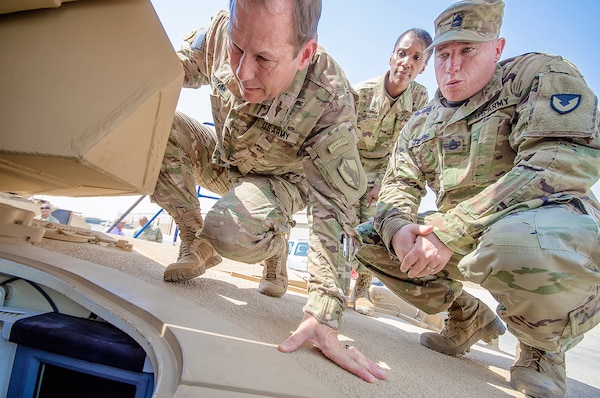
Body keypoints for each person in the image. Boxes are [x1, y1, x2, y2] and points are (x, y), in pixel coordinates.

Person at [354, 0, 600, 395]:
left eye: (467, 50)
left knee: (516, 241)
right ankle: (465, 315)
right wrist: (399, 229)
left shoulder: (537, 76)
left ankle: (542, 348)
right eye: (444, 54)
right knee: (365, 237)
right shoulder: (422, 120)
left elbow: (557, 164)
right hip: (462, 238)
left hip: (540, 223)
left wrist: (449, 231)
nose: (452, 66)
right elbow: (397, 186)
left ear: (497, 48)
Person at [151, 0, 387, 382]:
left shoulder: (329, 96)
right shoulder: (219, 31)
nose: (243, 71)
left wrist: (322, 314)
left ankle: (271, 241)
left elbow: (336, 208)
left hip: (279, 182)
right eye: (236, 49)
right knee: (157, 127)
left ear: (304, 53)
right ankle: (194, 240)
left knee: (231, 232)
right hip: (226, 160)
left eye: (264, 58)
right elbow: (165, 72)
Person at [350, 28, 432, 317]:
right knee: (342, 227)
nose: (406, 62)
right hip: (351, 166)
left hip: (387, 171)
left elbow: (407, 148)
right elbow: (340, 139)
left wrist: (384, 184)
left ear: (423, 67)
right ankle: (331, 284)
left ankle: (361, 289)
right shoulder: (359, 94)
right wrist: (351, 182)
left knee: (376, 230)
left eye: (416, 57)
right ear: (391, 57)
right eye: (402, 53)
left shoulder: (422, 100)